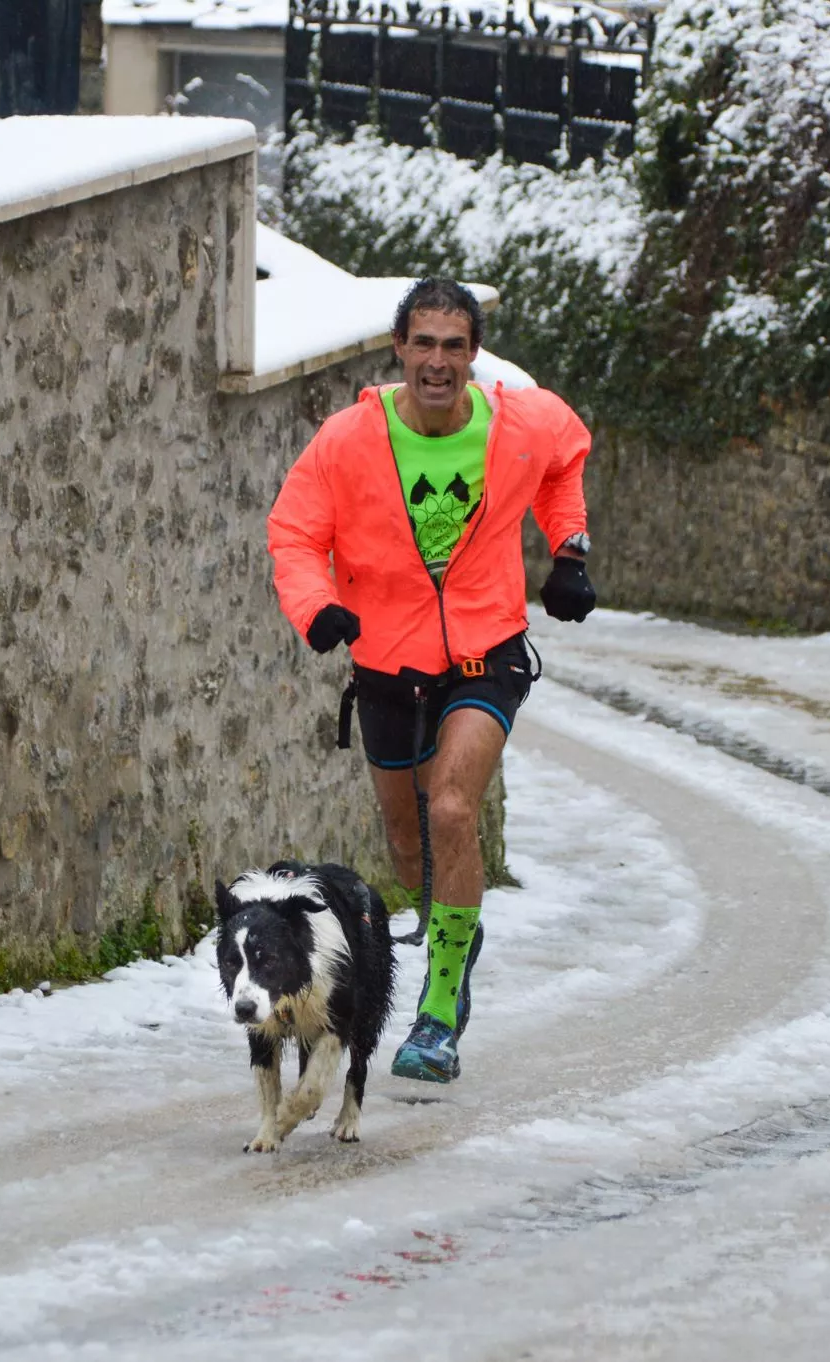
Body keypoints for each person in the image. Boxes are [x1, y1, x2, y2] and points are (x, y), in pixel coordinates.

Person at [265, 277, 597, 1083]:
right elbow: (295, 533)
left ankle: (440, 1011)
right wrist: (319, 612)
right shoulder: (350, 440)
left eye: (455, 345)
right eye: (425, 344)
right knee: (411, 842)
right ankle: (457, 924)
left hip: (487, 650)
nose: (439, 361)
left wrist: (570, 553)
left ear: (473, 354)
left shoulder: (519, 423)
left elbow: (566, 459)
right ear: (399, 350)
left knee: (452, 806)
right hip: (386, 662)